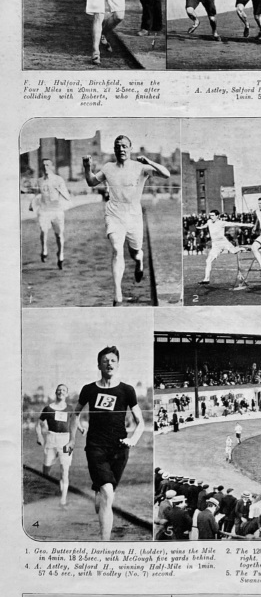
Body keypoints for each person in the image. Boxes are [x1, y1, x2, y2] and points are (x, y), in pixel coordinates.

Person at [83, 135, 170, 305]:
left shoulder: (140, 168)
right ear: (114, 150)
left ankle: (139, 262)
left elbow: (166, 175)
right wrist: (87, 167)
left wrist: (149, 161)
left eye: (124, 146)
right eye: (118, 146)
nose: (121, 149)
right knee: (117, 248)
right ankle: (117, 292)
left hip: (133, 215)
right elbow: (92, 182)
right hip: (114, 212)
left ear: (130, 148)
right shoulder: (108, 167)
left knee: (135, 252)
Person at [69, 345, 145, 541]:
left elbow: (140, 422)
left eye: (112, 361)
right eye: (105, 361)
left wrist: (132, 440)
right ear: (99, 365)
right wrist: (72, 437)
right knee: (108, 494)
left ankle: (99, 491)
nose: (109, 364)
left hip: (120, 448)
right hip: (96, 446)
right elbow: (74, 414)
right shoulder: (89, 389)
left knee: (103, 497)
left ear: (117, 364)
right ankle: (105, 543)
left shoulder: (127, 390)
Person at [29, 158, 71, 268]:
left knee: (59, 235)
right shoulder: (39, 181)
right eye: (43, 165)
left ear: (52, 166)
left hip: (57, 211)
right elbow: (37, 195)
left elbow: (67, 196)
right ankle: (44, 250)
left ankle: (60, 254)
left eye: (48, 165)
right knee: (43, 230)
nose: (45, 167)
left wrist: (59, 189)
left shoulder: (58, 179)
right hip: (44, 210)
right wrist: (32, 204)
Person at [36, 383, 73, 507]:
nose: (61, 392)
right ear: (56, 392)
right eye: (59, 390)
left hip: (66, 440)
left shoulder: (70, 408)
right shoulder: (48, 408)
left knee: (65, 469)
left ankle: (63, 499)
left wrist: (81, 428)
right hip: (51, 439)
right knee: (46, 468)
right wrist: (40, 436)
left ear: (67, 394)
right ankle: (46, 490)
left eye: (64, 390)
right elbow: (38, 424)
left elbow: (74, 422)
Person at [198, 211, 253, 285]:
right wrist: (200, 227)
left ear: (217, 216)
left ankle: (242, 248)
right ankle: (206, 279)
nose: (211, 217)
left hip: (223, 242)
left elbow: (235, 224)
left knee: (234, 251)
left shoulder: (222, 223)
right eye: (210, 215)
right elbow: (205, 225)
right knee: (208, 261)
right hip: (215, 245)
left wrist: (248, 225)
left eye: (213, 215)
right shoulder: (209, 221)